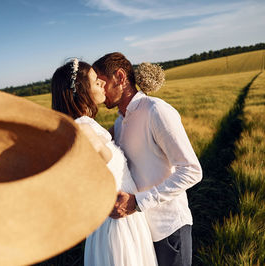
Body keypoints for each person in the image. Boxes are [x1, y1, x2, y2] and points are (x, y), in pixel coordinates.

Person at [92, 52, 203, 266]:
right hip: (139, 233)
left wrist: (137, 202)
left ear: (120, 77)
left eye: (101, 83)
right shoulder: (118, 123)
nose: (99, 90)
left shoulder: (156, 110)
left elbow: (192, 170)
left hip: (169, 229)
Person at [51, 59, 158, 266]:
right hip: (117, 224)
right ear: (80, 91)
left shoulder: (90, 126)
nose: (102, 83)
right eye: (95, 81)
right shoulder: (82, 128)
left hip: (127, 218)